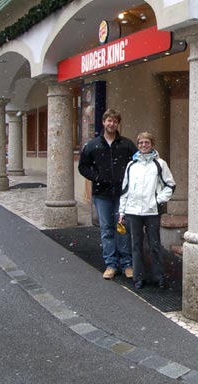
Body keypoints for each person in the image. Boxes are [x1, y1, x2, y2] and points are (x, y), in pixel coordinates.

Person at [78, 109, 137, 280]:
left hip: (122, 194)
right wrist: (97, 176)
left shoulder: (126, 144)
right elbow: (83, 166)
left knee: (122, 229)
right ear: (103, 122)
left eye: (115, 121)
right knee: (106, 230)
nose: (111, 124)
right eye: (109, 121)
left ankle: (127, 264)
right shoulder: (93, 145)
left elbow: (137, 163)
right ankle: (111, 264)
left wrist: (129, 181)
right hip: (102, 194)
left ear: (118, 124)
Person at [119, 132, 175, 290]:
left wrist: (158, 200)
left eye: (147, 142)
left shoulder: (160, 164)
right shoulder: (132, 165)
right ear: (137, 145)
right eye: (141, 143)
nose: (144, 145)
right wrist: (122, 212)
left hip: (151, 212)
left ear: (152, 144)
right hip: (133, 212)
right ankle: (138, 277)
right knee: (135, 245)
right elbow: (125, 189)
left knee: (154, 245)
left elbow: (170, 185)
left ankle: (158, 277)